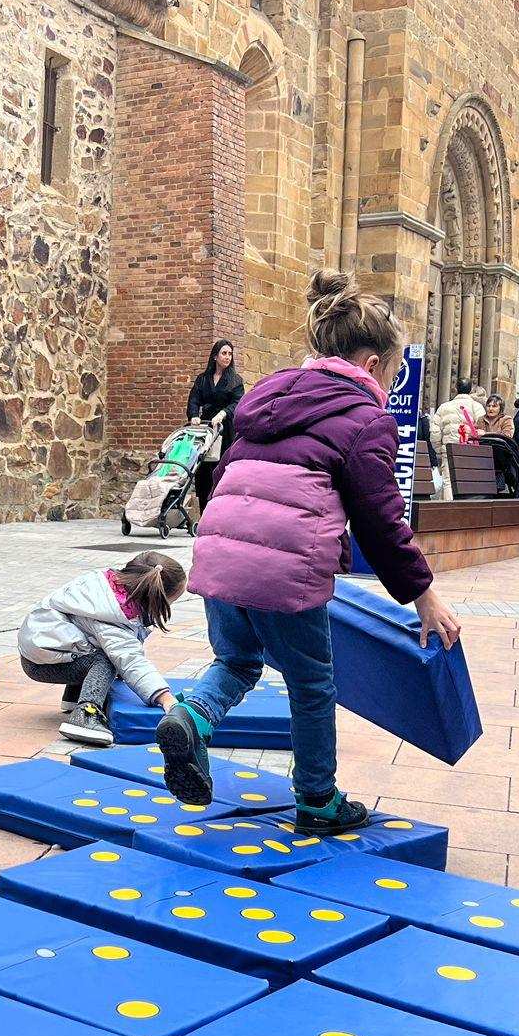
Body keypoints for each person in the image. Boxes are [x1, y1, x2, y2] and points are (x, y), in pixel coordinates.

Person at [158, 269, 462, 831]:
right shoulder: (366, 418)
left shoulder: (267, 397)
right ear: (372, 364)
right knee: (312, 685)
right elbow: (380, 519)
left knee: (236, 661)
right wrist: (424, 596)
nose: (392, 383)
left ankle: (191, 719)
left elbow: (231, 476)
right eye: (394, 372)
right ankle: (318, 800)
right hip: (284, 567)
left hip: (218, 551)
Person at [19, 552, 187, 747]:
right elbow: (130, 660)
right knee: (107, 660)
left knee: (96, 647)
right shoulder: (114, 617)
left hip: (39, 649)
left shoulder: (105, 587)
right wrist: (165, 698)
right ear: (156, 599)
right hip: (42, 664)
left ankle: (74, 696)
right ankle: (85, 715)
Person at [187, 339, 244, 516]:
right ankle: (205, 512)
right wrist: (194, 415)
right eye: (224, 353)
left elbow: (237, 402)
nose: (227, 357)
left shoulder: (235, 381)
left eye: (230, 354)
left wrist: (224, 413)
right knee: (203, 470)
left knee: (220, 469)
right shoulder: (203, 379)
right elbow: (194, 399)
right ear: (215, 356)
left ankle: (220, 512)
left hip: (225, 430)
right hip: (206, 429)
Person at [482, 393, 519, 496]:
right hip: (483, 457)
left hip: (501, 458)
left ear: (500, 408)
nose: (490, 408)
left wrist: (484, 434)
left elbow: (507, 435)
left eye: (494, 406)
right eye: (488, 406)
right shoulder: (481, 419)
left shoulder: (506, 419)